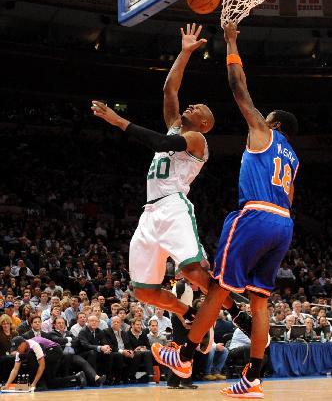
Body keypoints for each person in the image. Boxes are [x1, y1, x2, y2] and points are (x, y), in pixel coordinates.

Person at [153, 22, 299, 400]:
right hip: (284, 223)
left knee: (218, 287)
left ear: (275, 124)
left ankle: (183, 353)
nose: (259, 117)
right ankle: (254, 376)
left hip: (256, 215)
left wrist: (232, 41)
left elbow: (238, 89)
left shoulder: (265, 133)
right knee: (260, 298)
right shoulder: (293, 158)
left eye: (266, 117)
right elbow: (291, 199)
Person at [90, 24, 251, 337]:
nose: (192, 105)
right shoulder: (176, 128)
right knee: (143, 292)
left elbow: (161, 145)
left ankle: (234, 311)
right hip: (149, 212)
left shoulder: (197, 141)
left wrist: (117, 120)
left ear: (204, 123)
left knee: (192, 270)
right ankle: (186, 312)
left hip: (173, 207)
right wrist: (186, 51)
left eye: (199, 108)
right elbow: (170, 90)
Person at [2, 336, 85, 391]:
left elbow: (42, 365)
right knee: (49, 382)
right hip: (45, 352)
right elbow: (15, 369)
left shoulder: (34, 345)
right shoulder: (19, 352)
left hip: (54, 350)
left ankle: (39, 384)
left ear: (23, 343)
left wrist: (34, 383)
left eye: (18, 347)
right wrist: (7, 384)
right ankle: (77, 378)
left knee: (32, 359)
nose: (17, 350)